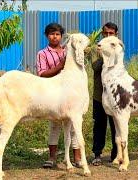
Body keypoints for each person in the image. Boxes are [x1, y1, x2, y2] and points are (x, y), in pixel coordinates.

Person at [36, 23, 82, 168]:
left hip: (71, 93)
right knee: (55, 125)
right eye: (51, 34)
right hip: (53, 93)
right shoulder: (42, 53)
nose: (54, 37)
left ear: (61, 36)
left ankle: (78, 158)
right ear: (46, 36)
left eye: (57, 34)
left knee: (75, 125)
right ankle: (52, 158)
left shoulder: (68, 51)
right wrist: (60, 66)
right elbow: (42, 74)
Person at [91, 22, 118, 166]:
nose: (108, 36)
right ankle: (97, 154)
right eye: (106, 33)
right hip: (99, 95)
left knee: (116, 125)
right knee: (99, 125)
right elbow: (95, 67)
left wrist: (113, 52)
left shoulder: (118, 47)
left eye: (111, 33)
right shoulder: (97, 49)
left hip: (115, 96)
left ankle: (116, 154)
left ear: (116, 35)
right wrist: (104, 56)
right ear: (102, 34)